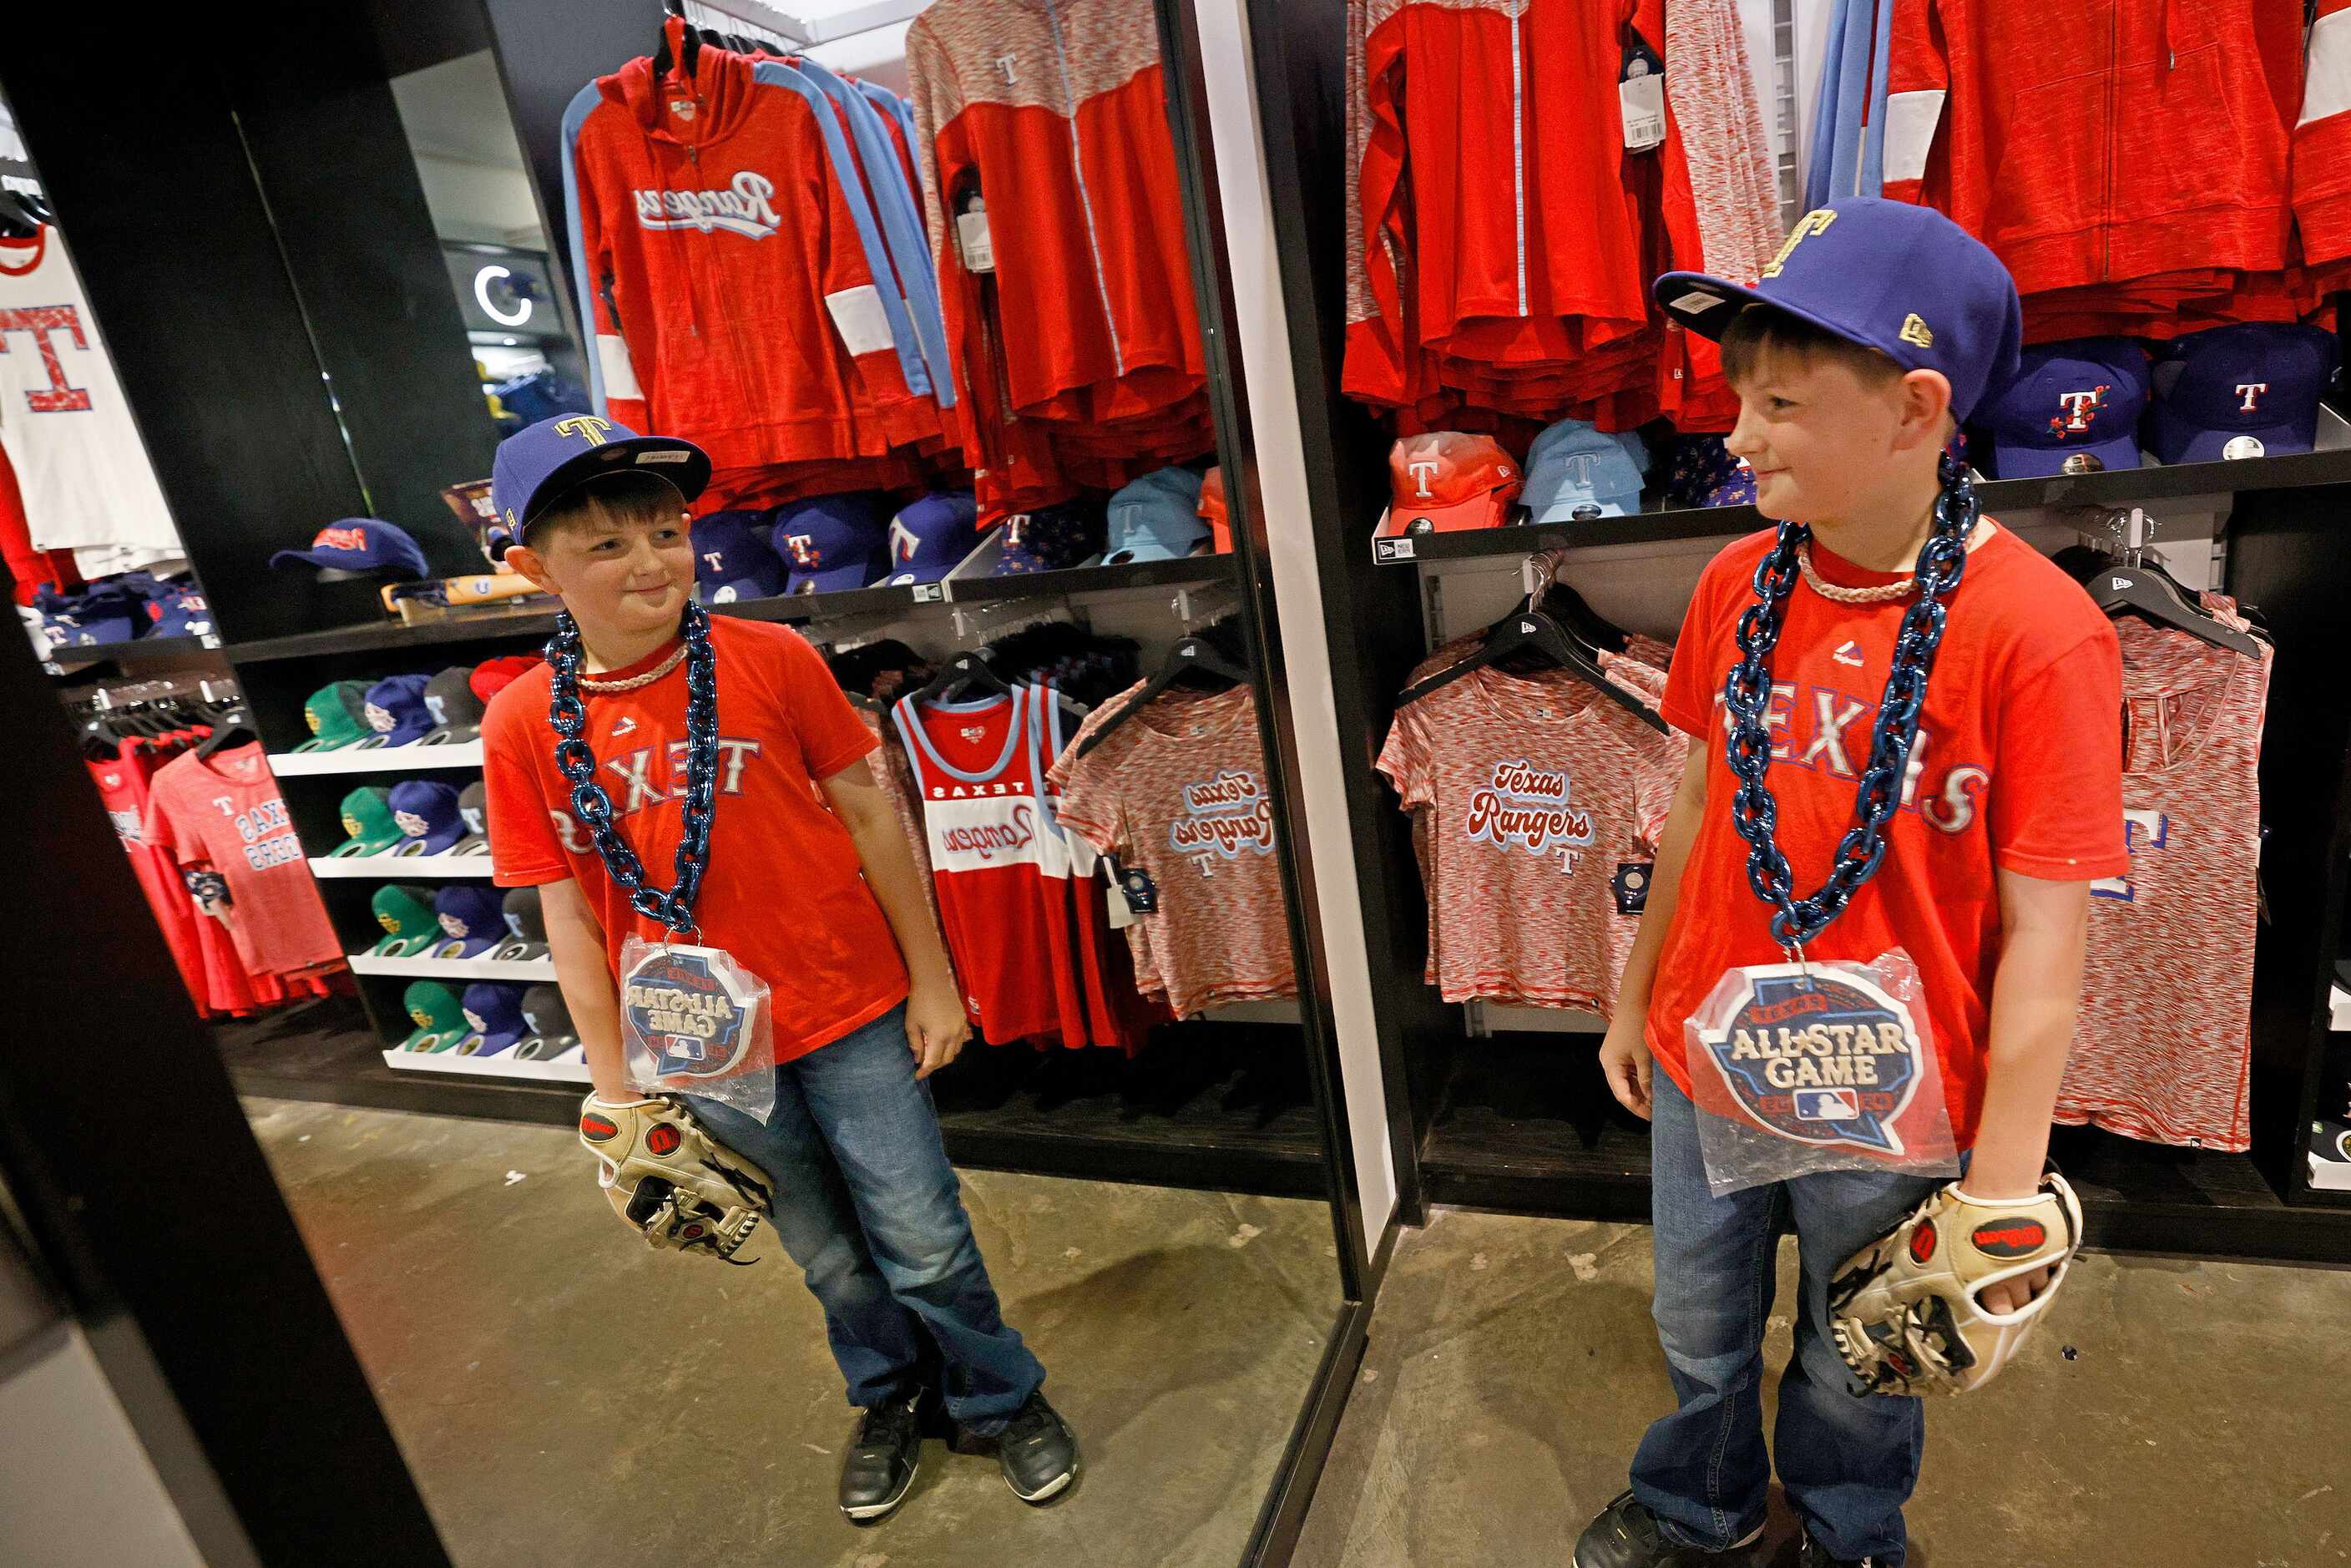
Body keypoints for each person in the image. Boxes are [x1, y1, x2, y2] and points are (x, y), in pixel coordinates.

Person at [1574, 200, 2130, 1568]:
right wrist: (1630, 993)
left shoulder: (2041, 637)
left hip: (1892, 1092)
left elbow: (2049, 941)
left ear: (1917, 407)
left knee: (1863, 1341)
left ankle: (1846, 1529)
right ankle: (1700, 1501)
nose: (1739, 432)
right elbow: (1699, 798)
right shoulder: (1732, 585)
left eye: (1778, 400)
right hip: (1711, 1049)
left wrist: (2000, 1197)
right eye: (1736, 397)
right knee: (1697, 1320)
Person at [478, 415, 1077, 1523]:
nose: (652, 561)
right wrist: (612, 1087)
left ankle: (997, 1391)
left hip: (844, 1003)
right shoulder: (521, 726)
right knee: (825, 1250)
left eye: (665, 530)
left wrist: (932, 976)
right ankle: (893, 1395)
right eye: (607, 545)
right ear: (531, 566)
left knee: (920, 1228)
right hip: (699, 1043)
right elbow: (566, 912)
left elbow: (870, 809)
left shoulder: (771, 658)